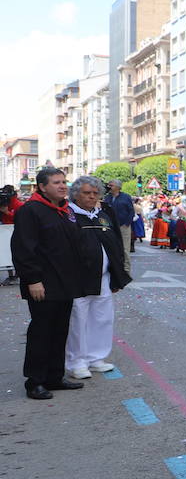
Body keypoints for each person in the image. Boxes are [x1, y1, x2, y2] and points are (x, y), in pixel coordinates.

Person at [11, 168, 87, 400]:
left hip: (65, 282)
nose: (63, 186)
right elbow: (24, 248)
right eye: (56, 182)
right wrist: (33, 279)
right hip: (43, 283)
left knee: (60, 330)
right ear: (42, 187)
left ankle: (54, 376)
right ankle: (35, 381)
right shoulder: (30, 211)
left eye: (64, 182)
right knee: (42, 332)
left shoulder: (65, 211)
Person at [64, 176, 132, 379]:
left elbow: (116, 243)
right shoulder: (69, 215)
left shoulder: (104, 213)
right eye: (87, 193)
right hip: (78, 279)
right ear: (75, 194)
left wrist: (118, 275)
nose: (92, 197)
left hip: (103, 277)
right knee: (78, 321)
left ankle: (96, 358)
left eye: (95, 193)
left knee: (102, 318)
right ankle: (77, 362)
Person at [102, 179, 135, 275]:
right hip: (110, 226)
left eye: (111, 185)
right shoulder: (107, 197)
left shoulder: (126, 197)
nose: (109, 187)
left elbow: (131, 211)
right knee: (112, 248)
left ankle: (126, 270)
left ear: (118, 187)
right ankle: (115, 270)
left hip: (123, 226)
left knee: (125, 249)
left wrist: (127, 223)